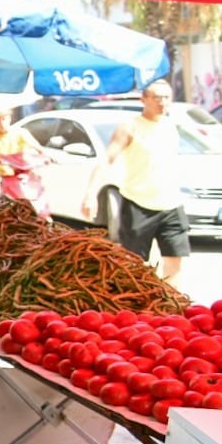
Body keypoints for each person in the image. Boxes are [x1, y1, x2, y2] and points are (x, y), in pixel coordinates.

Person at [81, 80, 188, 289]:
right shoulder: (129, 127)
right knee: (133, 266)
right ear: (144, 99)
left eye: (167, 97)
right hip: (138, 204)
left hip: (171, 204)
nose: (162, 102)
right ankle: (138, 311)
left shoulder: (170, 125)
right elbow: (106, 159)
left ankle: (173, 310)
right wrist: (91, 194)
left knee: (174, 263)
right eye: (157, 97)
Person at [0, 108, 52, 217]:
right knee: (1, 207)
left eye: (4, 119)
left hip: (24, 174)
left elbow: (36, 146)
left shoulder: (20, 133)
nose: (2, 123)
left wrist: (47, 155)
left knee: (37, 204)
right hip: (6, 178)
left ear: (9, 118)